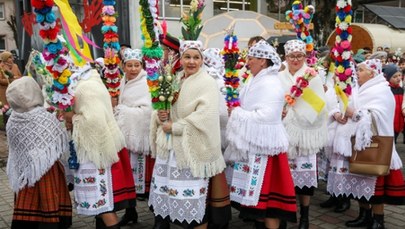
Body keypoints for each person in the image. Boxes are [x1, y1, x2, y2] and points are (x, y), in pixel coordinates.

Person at [149, 40, 227, 229]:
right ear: (181, 58)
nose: (191, 62)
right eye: (187, 57)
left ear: (202, 60)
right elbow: (166, 105)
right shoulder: (175, 78)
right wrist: (160, 114)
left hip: (191, 150)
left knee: (193, 203)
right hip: (171, 149)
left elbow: (205, 116)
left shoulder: (207, 82)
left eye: (196, 57)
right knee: (171, 196)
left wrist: (175, 126)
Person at [224, 40, 297, 229]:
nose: (247, 62)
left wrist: (237, 113)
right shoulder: (254, 79)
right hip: (254, 148)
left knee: (269, 204)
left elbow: (267, 116)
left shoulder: (270, 83)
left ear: (263, 61)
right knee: (257, 204)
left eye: (251, 58)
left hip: (266, 151)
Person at [328, 59, 405, 228]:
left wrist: (353, 113)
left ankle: (378, 219)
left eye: (360, 70)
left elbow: (377, 116)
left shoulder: (382, 90)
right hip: (358, 143)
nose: (357, 72)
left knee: (375, 184)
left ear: (372, 73)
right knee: (359, 180)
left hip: (376, 145)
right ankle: (364, 215)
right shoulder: (359, 88)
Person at [66, 66, 136, 229]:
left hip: (95, 150)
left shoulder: (86, 87)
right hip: (99, 146)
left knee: (100, 201)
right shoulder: (88, 81)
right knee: (103, 203)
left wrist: (72, 117)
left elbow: (94, 120)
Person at [6, 77, 72, 229]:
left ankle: (25, 222)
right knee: (48, 195)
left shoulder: (13, 119)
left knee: (27, 195)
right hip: (46, 167)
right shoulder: (43, 117)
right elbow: (57, 140)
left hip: (24, 170)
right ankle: (51, 222)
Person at [278, 39, 328, 229]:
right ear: (286, 57)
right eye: (292, 56)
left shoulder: (312, 76)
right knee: (285, 177)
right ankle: (284, 215)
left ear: (305, 57)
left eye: (299, 56)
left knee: (304, 179)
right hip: (284, 134)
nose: (296, 59)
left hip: (305, 133)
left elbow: (318, 105)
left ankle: (305, 216)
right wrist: (280, 112)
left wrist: (295, 117)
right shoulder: (279, 76)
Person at [114, 48, 152, 226]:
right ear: (123, 66)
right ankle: (131, 212)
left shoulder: (145, 83)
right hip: (126, 137)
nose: (133, 69)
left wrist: (123, 112)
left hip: (140, 138)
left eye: (137, 65)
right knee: (128, 179)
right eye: (130, 65)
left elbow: (147, 111)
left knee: (145, 183)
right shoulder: (123, 81)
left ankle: (158, 216)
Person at [383, 64, 404, 143]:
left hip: (399, 123)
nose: (398, 78)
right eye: (395, 77)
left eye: (399, 75)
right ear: (388, 78)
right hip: (390, 123)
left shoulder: (401, 90)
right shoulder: (386, 90)